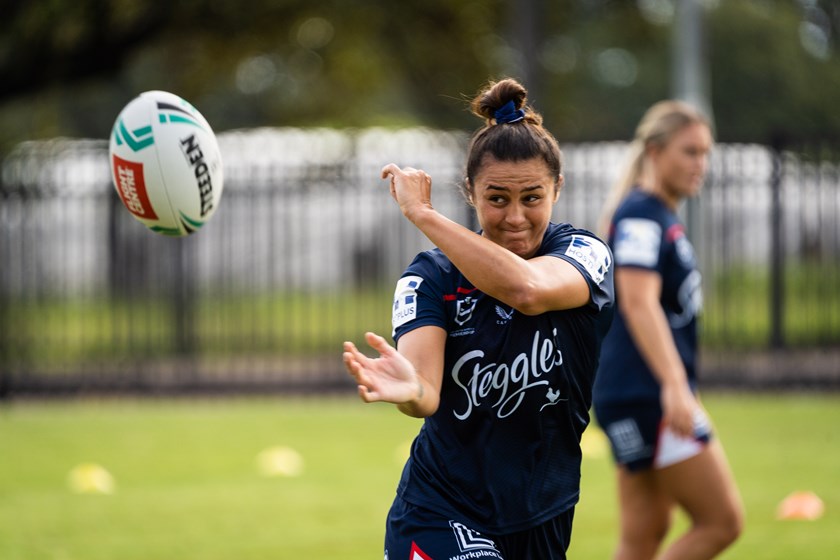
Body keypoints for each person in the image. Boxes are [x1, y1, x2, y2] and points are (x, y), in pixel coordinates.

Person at [342, 78, 614, 559]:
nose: (514, 218)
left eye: (532, 197)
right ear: (470, 192)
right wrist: (412, 391)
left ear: (557, 188)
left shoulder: (585, 254)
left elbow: (527, 290)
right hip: (441, 508)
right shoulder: (431, 277)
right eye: (496, 198)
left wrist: (423, 215)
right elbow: (425, 394)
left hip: (543, 512)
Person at [592, 101, 744, 560]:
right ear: (656, 152)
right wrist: (677, 386)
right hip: (649, 394)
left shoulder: (652, 214)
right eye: (690, 152)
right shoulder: (642, 213)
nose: (702, 164)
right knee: (721, 522)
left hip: (627, 393)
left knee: (644, 533)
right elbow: (638, 303)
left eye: (705, 153)